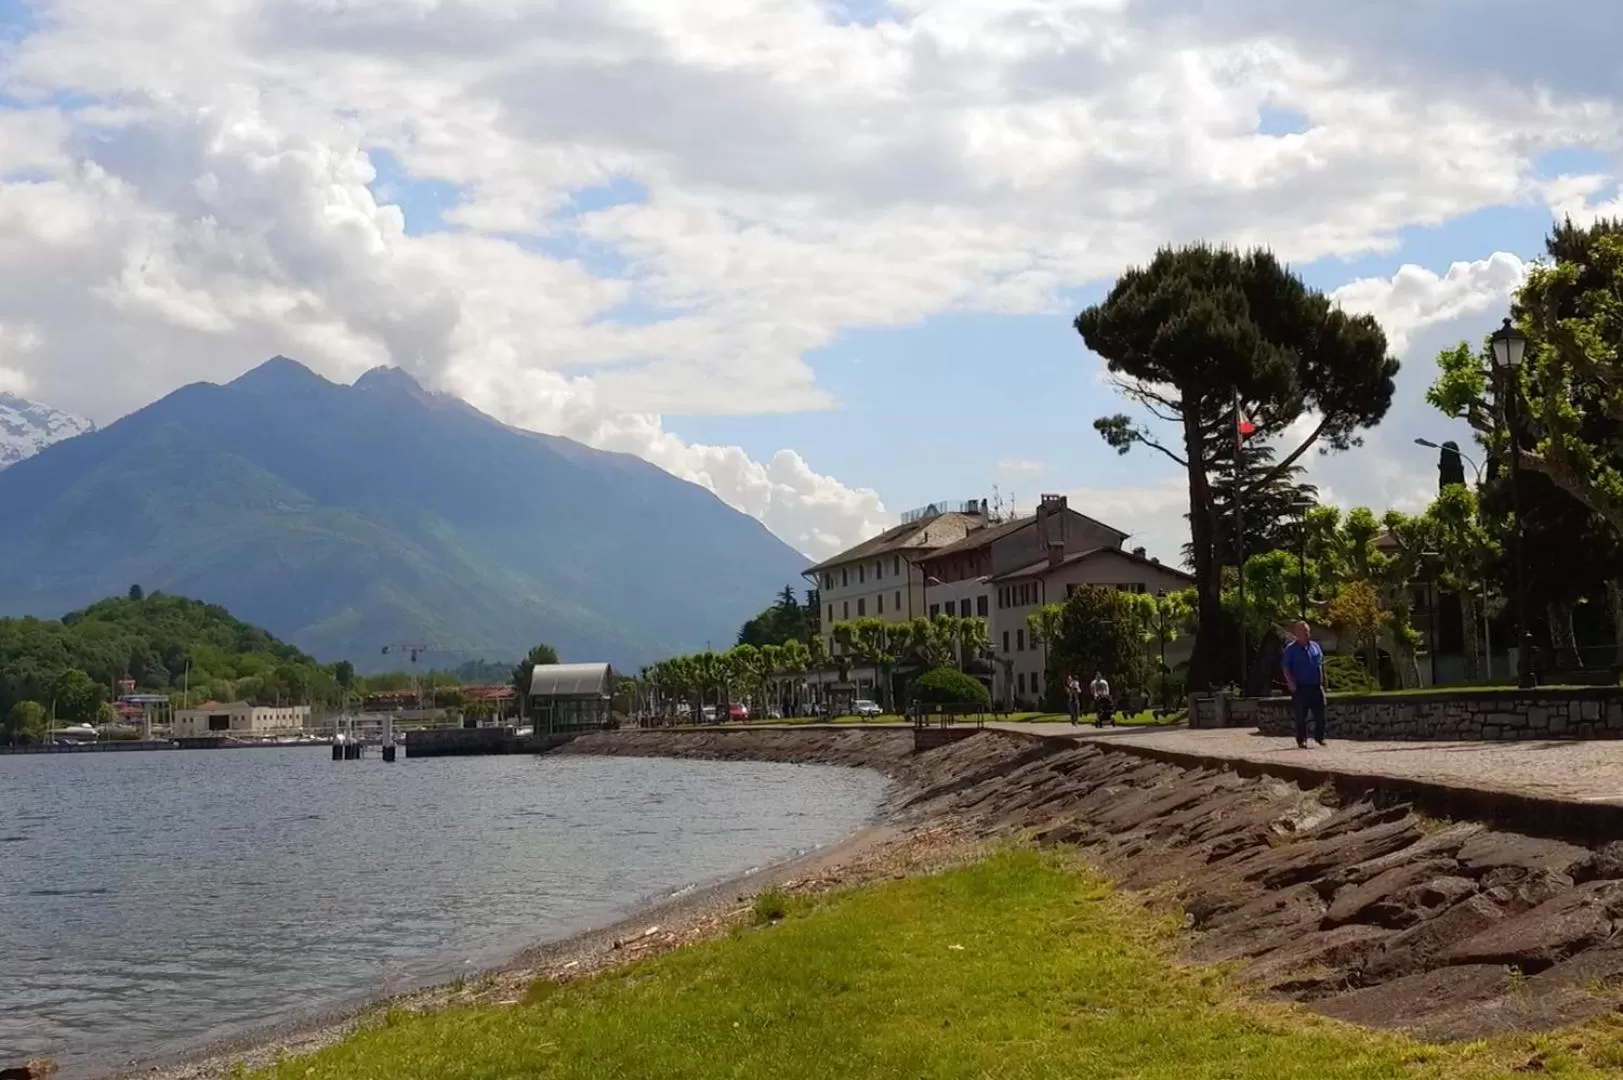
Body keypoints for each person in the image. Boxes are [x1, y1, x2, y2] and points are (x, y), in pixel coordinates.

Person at [1282, 620, 1327, 748]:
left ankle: (1320, 737)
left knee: (1320, 713)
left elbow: (1320, 664)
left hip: (1316, 686)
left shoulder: (1315, 646)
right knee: (1301, 716)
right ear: (1296, 633)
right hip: (1300, 687)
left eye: (1307, 630)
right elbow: (1286, 668)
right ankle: (1302, 740)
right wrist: (1290, 683)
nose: (1306, 633)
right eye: (1303, 631)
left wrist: (1324, 680)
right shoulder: (1291, 649)